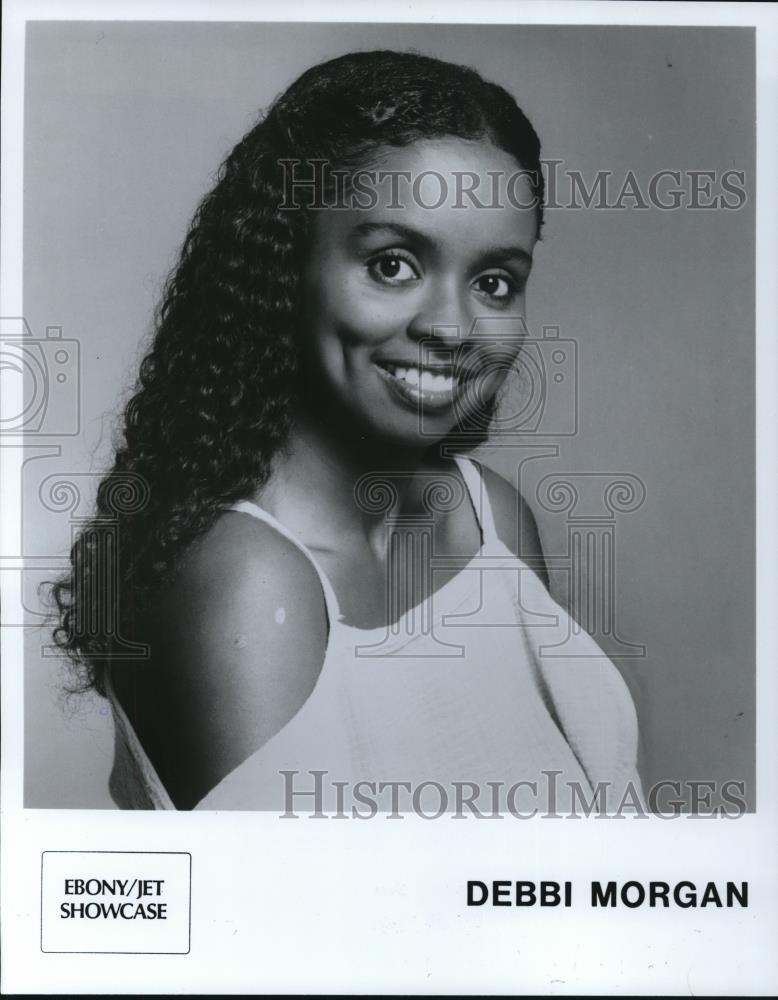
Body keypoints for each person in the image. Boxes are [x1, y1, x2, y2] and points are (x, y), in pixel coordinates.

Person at [51, 49, 642, 814]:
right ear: (285, 262)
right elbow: (298, 925)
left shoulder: (491, 521)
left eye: (494, 282)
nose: (453, 327)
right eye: (394, 264)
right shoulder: (247, 581)